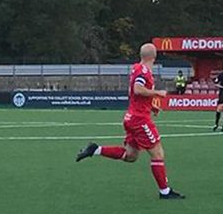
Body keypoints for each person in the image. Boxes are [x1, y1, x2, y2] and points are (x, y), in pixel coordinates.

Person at [75, 43, 184, 199]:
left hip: (131, 117)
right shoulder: (144, 71)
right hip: (140, 120)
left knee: (131, 156)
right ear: (154, 57)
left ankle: (95, 149)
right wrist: (157, 93)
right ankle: (165, 192)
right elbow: (137, 90)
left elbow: (133, 94)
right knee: (158, 154)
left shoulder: (135, 68)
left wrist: (151, 105)